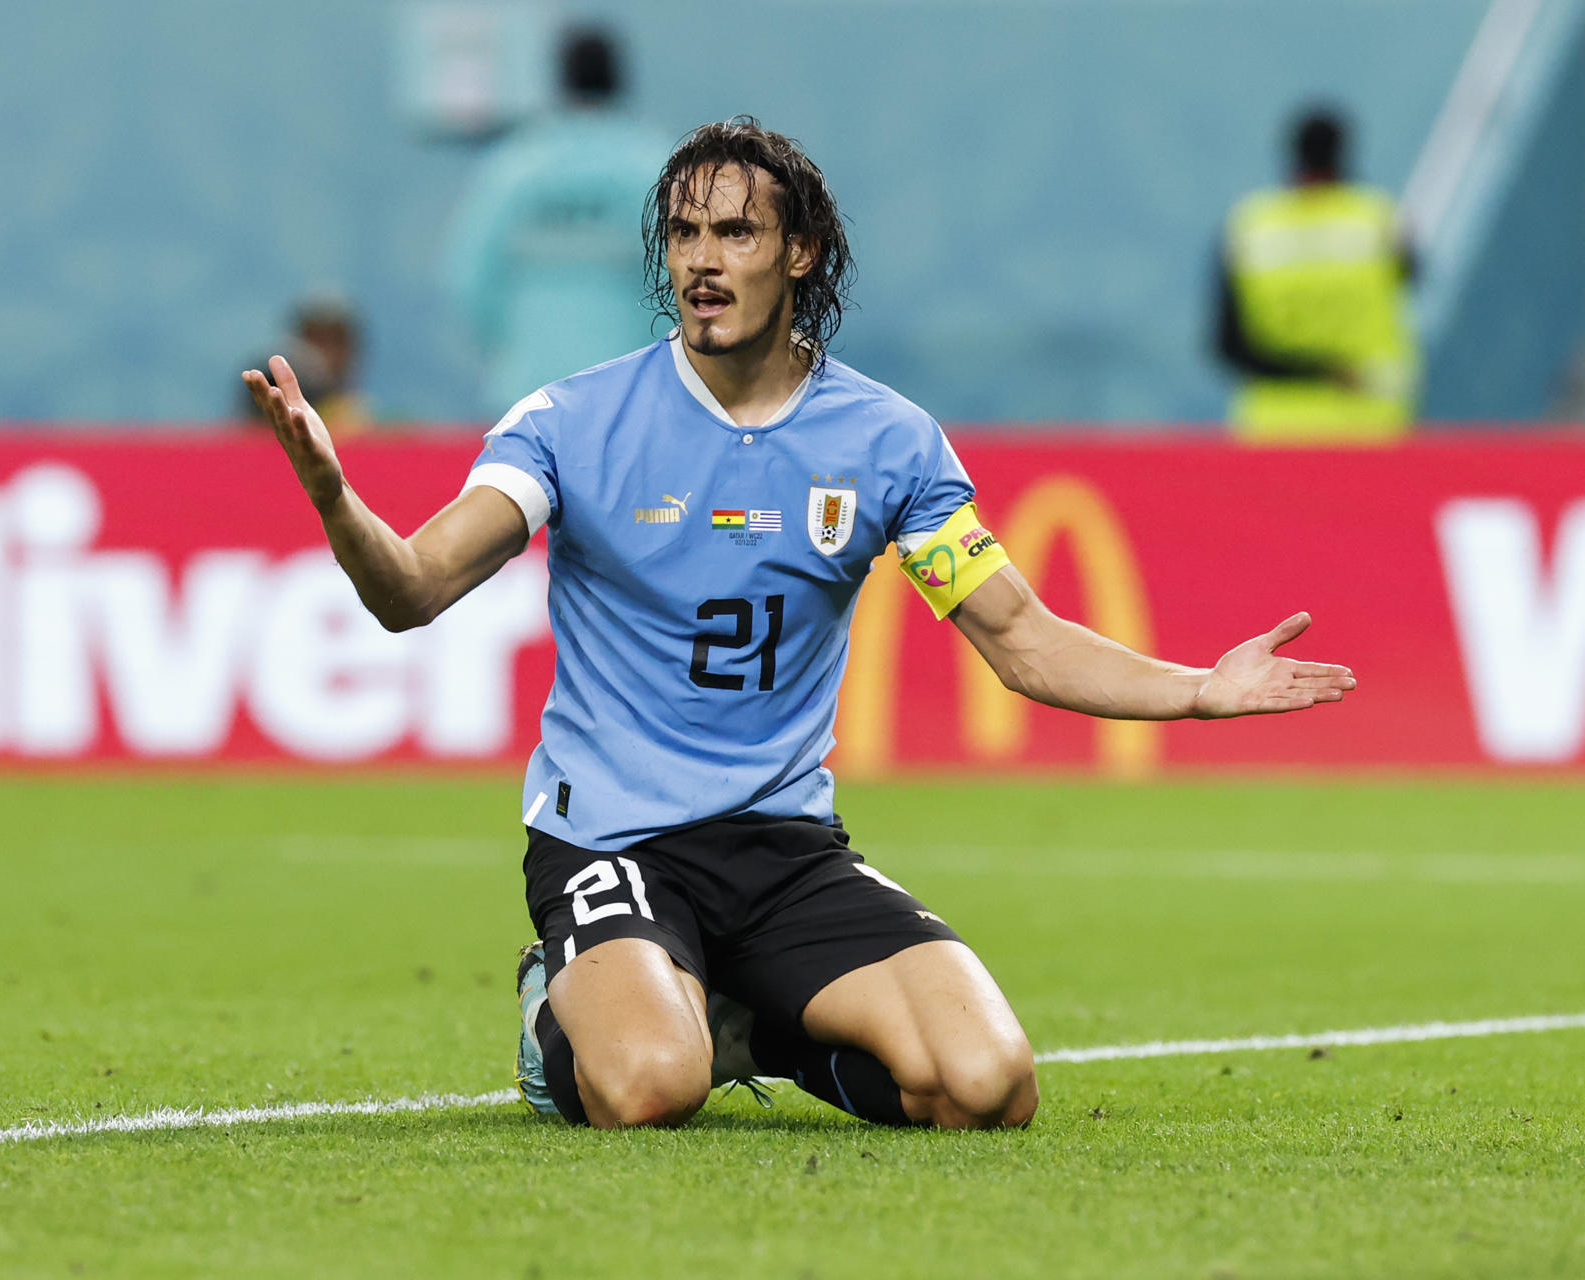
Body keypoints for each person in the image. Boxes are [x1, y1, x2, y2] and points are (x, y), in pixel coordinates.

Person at [246, 118, 1356, 1131]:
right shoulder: (573, 421)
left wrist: (1198, 688)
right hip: (612, 840)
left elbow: (1020, 638)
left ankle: (747, 1020)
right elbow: (413, 589)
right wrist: (340, 505)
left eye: (735, 231)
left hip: (784, 848)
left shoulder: (887, 442)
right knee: (646, 1087)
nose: (701, 259)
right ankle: (563, 1011)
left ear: (800, 253)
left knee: (986, 1085)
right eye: (683, 232)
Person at [444, 25, 672, 417]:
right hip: (632, 394)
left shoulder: (512, 167)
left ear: (561, 81)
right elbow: (681, 282)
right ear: (619, 80)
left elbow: (466, 276)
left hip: (526, 393)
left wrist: (510, 348)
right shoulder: (655, 168)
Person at [1213, 107, 1420, 443]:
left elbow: (1228, 346)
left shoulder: (1251, 227)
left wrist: (1314, 372)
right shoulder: (1379, 221)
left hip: (1275, 431)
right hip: (1370, 427)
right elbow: (1412, 280)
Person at [242, 292, 370, 437]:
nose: (324, 354)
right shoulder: (270, 391)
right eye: (316, 340)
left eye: (336, 342)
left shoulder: (362, 422)